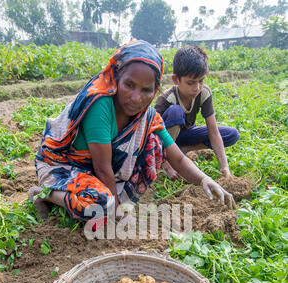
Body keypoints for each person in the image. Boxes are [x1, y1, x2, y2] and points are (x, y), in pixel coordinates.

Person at [28, 40, 236, 233]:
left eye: (146, 90)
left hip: (96, 172)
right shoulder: (101, 105)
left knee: (155, 146)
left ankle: (105, 202)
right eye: (129, 85)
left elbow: (178, 158)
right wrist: (115, 211)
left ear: (155, 90)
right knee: (103, 206)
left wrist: (204, 179)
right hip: (63, 167)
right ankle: (42, 193)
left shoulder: (148, 116)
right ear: (116, 78)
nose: (136, 97)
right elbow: (103, 167)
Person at [155, 45, 240, 180]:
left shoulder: (204, 93)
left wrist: (225, 169)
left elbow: (213, 132)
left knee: (231, 134)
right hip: (164, 139)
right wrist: (167, 165)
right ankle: (169, 156)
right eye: (191, 83)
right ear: (176, 80)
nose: (197, 88)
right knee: (175, 112)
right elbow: (152, 134)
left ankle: (183, 150)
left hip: (187, 135)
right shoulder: (167, 99)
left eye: (201, 81)